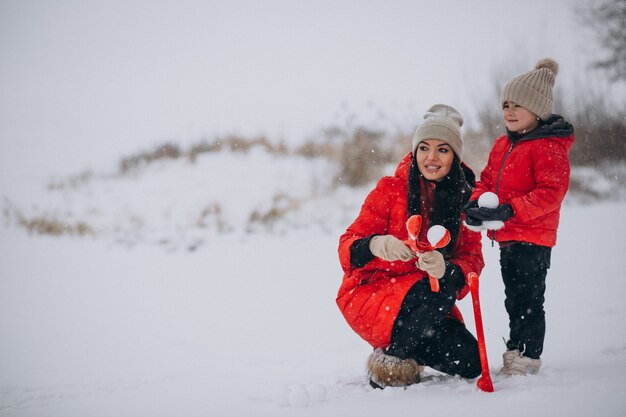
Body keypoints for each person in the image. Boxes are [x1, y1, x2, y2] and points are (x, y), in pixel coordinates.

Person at [336, 104, 485, 389]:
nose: (431, 157)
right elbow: (347, 246)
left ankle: (409, 341)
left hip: (427, 306)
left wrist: (448, 268)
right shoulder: (391, 189)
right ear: (414, 151)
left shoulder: (465, 200)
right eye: (424, 148)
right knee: (439, 290)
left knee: (470, 362)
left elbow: (473, 261)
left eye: (443, 149)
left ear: (454, 156)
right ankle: (392, 361)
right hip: (373, 293)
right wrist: (377, 245)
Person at [464, 58, 575, 376]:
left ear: (538, 109)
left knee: (528, 297)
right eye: (506, 104)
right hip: (507, 234)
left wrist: (510, 209)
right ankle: (515, 349)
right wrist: (475, 206)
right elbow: (485, 181)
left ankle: (527, 356)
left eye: (518, 105)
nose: (509, 111)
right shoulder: (504, 144)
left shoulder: (548, 147)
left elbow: (551, 193)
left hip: (533, 235)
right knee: (513, 297)